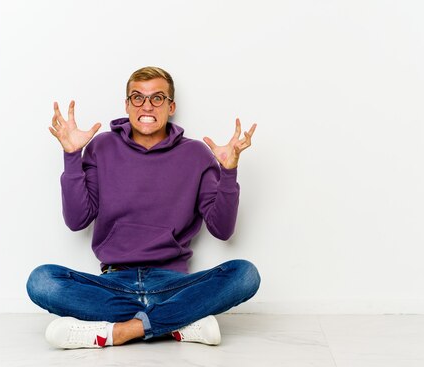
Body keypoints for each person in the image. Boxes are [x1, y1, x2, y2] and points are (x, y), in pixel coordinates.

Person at [26, 66, 260, 349]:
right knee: (42, 281)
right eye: (137, 97)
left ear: (171, 106)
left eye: (157, 98)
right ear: (127, 105)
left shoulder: (196, 154)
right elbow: (77, 220)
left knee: (245, 274)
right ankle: (178, 323)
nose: (146, 105)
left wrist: (229, 173)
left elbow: (222, 230)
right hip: (114, 284)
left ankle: (121, 332)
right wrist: (73, 156)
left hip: (172, 285)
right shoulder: (102, 147)